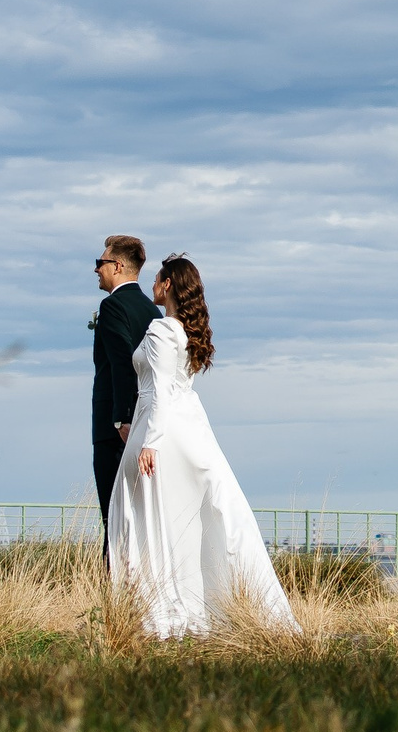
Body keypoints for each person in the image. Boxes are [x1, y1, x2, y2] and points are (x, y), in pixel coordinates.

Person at [105, 254, 298, 637]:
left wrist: (150, 443)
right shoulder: (187, 332)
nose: (154, 285)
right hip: (190, 427)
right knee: (188, 518)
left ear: (169, 285)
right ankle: (201, 608)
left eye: (159, 279)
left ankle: (164, 613)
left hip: (161, 431)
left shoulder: (162, 331)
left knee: (149, 518)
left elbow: (159, 391)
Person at [90, 235, 159, 542]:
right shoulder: (152, 312)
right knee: (140, 516)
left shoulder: (113, 306)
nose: (96, 270)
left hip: (117, 428)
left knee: (114, 515)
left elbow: (121, 362)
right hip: (148, 422)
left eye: (100, 263)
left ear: (117, 266)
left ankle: (115, 585)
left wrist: (122, 418)